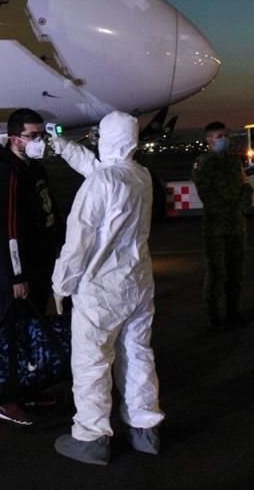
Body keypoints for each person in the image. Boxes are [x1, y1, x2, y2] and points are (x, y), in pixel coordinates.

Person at [50, 111, 163, 466]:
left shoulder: (102, 182)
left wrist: (60, 284)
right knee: (137, 355)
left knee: (92, 361)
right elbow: (102, 169)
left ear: (105, 138)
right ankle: (145, 429)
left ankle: (92, 436)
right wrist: (61, 146)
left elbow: (79, 238)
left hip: (101, 288)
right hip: (137, 283)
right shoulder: (139, 175)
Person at [0, 108, 60, 426]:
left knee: (31, 331)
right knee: (11, 333)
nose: (38, 140)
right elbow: (8, 228)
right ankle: (6, 398)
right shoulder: (6, 173)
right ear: (14, 138)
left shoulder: (34, 169)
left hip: (36, 264)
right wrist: (17, 275)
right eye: (32, 136)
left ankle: (27, 389)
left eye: (42, 134)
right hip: (12, 268)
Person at [191, 121, 253, 331]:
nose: (224, 140)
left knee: (236, 271)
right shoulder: (204, 163)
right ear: (209, 140)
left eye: (225, 135)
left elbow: (245, 185)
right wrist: (228, 210)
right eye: (219, 136)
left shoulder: (234, 160)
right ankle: (214, 317)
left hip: (236, 225)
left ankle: (233, 312)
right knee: (217, 272)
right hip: (216, 227)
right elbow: (206, 193)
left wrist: (242, 206)